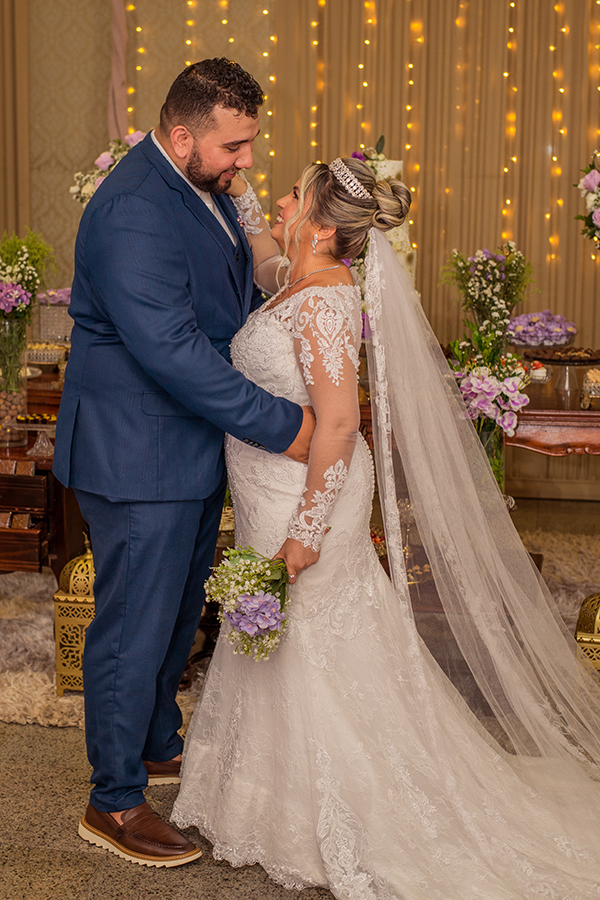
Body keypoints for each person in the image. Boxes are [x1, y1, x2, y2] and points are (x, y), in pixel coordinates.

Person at [172, 157, 600, 898]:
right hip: (274, 486)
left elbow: (338, 423)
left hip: (311, 494)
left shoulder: (326, 302)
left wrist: (307, 529)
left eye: (291, 193)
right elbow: (270, 261)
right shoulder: (298, 281)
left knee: (311, 639)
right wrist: (241, 198)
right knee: (282, 639)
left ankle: (336, 809)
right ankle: (266, 797)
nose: (279, 196)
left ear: (318, 220)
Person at [52, 58, 315, 868]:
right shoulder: (132, 210)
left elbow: (226, 298)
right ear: (181, 135)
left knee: (172, 613)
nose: (245, 163)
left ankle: (157, 739)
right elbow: (170, 351)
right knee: (133, 624)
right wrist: (287, 426)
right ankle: (115, 799)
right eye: (234, 146)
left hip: (188, 444)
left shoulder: (197, 186)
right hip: (136, 450)